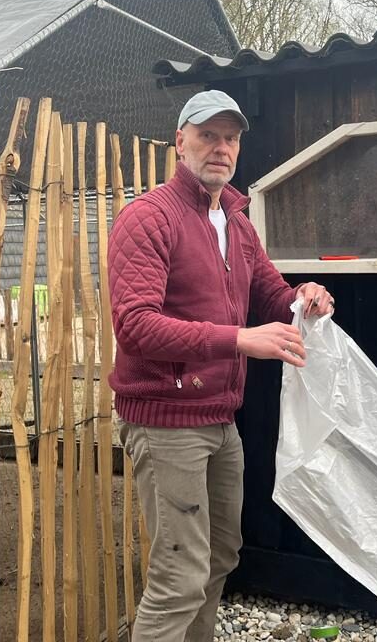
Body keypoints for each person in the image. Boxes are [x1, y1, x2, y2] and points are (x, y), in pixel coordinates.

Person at [108, 89, 335, 642]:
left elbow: (267, 293)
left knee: (218, 557)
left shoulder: (236, 219)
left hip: (218, 419)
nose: (221, 147)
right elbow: (135, 326)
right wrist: (239, 340)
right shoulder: (148, 218)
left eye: (230, 137)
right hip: (166, 421)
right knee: (178, 577)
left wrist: (301, 298)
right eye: (208, 135)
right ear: (179, 140)